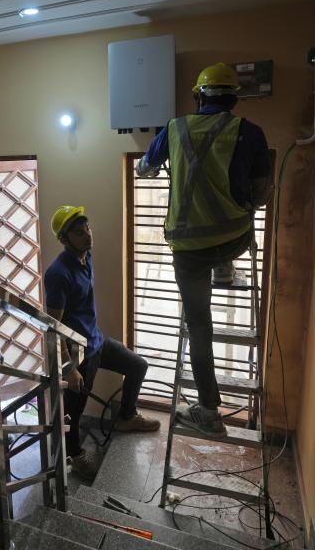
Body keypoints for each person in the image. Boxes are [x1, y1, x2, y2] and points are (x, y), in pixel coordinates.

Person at [136, 62, 272, 436]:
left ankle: (209, 411)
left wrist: (152, 168)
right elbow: (260, 196)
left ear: (198, 96)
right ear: (234, 99)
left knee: (199, 325)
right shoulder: (251, 133)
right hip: (233, 239)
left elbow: (145, 168)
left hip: (189, 249)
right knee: (235, 237)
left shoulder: (174, 129)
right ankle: (226, 267)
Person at [44, 205, 160, 480]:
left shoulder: (87, 257)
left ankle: (126, 416)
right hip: (78, 352)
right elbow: (53, 326)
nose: (86, 235)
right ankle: (75, 454)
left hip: (96, 340)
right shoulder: (58, 274)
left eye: (87, 228)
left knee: (137, 365)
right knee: (75, 407)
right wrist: (67, 367)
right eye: (78, 232)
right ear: (64, 239)